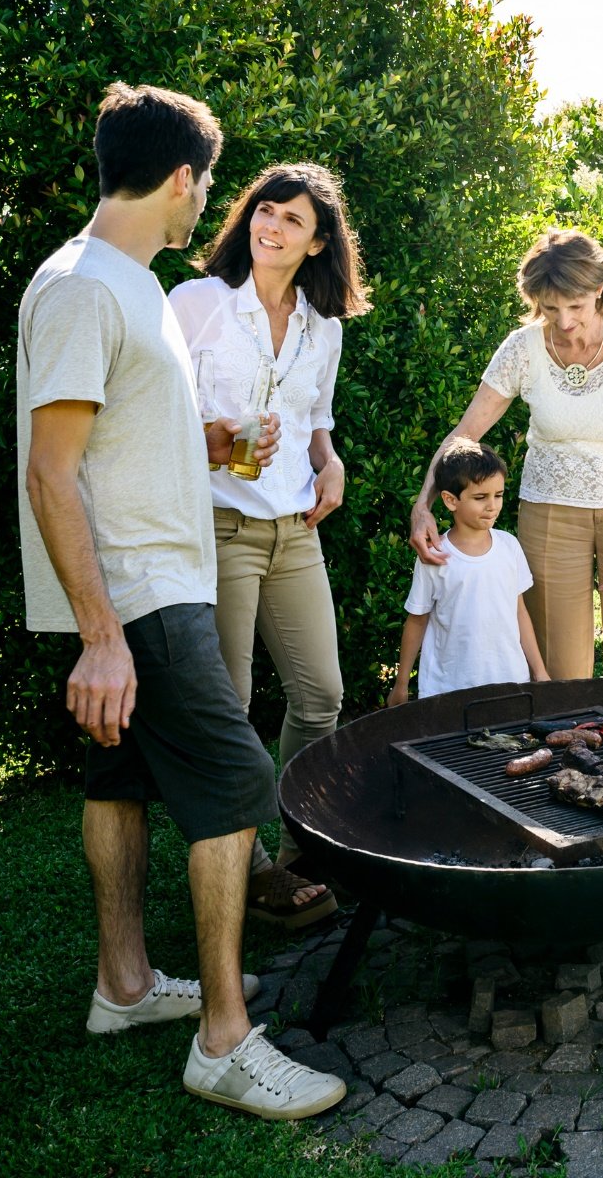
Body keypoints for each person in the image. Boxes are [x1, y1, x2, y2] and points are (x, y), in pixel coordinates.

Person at [17, 82, 344, 1120]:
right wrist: (104, 636)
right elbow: (50, 469)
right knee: (240, 781)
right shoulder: (84, 288)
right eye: (207, 183)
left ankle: (122, 984)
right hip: (140, 589)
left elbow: (115, 432)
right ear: (179, 178)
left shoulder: (130, 285)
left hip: (149, 579)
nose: (209, 203)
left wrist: (203, 441)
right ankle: (224, 1035)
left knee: (117, 778)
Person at [171, 162, 369, 931]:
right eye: (264, 210)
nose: (270, 226)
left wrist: (331, 461)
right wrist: (215, 443)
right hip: (219, 524)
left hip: (294, 528)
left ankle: (299, 845)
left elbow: (316, 418)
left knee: (321, 695)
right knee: (231, 708)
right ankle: (246, 868)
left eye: (291, 219)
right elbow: (148, 419)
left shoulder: (325, 329)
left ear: (318, 244)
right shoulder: (196, 305)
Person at [407, 229, 603, 681]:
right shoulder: (523, 347)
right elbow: (465, 433)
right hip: (550, 512)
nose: (564, 320)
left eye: (575, 306)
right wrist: (423, 505)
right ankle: (564, 748)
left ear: (599, 290)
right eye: (550, 308)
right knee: (556, 664)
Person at [390, 440, 549, 702]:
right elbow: (417, 619)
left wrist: (540, 672)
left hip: (510, 683)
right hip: (448, 689)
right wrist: (401, 684)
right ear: (451, 500)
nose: (492, 506)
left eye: (498, 495)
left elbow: (519, 611)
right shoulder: (434, 556)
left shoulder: (509, 546)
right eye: (480, 497)